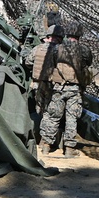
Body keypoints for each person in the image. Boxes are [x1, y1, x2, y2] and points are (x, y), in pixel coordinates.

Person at [37, 23, 92, 158]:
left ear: (67, 34)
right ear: (79, 35)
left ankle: (46, 146)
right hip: (75, 89)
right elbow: (88, 63)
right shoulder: (84, 50)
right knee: (72, 118)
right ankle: (69, 149)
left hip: (58, 88)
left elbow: (50, 66)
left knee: (53, 116)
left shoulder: (56, 49)